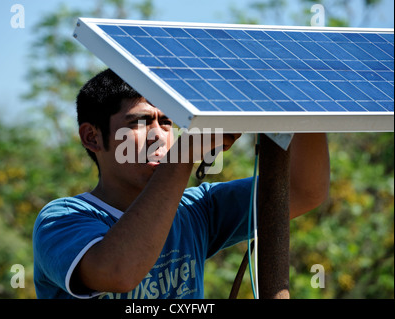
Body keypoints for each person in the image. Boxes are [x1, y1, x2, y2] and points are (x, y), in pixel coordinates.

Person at [33, 68, 330, 299]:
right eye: (139, 122)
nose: (158, 136)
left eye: (167, 122)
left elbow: (304, 190)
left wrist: (302, 97)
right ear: (92, 137)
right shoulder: (61, 220)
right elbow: (118, 272)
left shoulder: (196, 209)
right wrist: (184, 156)